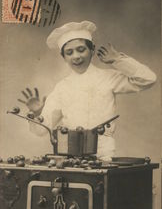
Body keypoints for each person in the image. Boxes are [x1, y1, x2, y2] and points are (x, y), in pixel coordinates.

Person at [18, 21, 157, 160]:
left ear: (92, 50)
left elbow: (148, 79)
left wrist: (118, 60)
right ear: (64, 58)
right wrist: (37, 113)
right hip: (70, 157)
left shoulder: (107, 77)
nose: (76, 56)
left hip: (103, 155)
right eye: (69, 52)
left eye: (81, 49)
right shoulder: (62, 88)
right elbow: (42, 130)